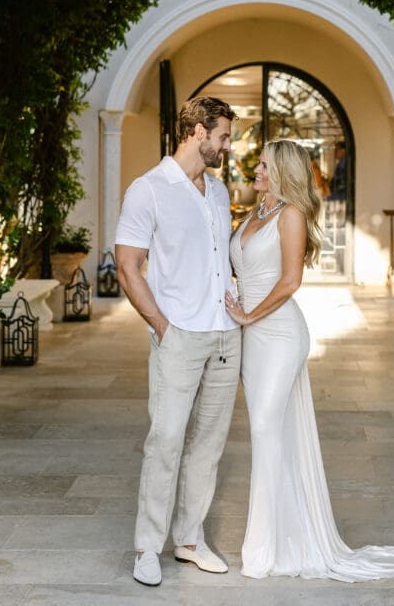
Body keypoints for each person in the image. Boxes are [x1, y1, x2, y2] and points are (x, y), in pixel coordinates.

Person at [225, 139, 394, 582]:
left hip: (280, 334)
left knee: (267, 429)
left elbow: (290, 281)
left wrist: (249, 313)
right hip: (252, 338)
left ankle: (266, 548)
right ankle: (284, 535)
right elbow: (244, 269)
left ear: (283, 172)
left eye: (264, 165)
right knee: (270, 435)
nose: (256, 170)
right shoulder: (255, 213)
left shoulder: (289, 215)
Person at [115, 95, 242, 588]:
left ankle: (189, 540)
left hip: (224, 336)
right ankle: (148, 547)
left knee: (207, 446)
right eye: (224, 136)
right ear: (197, 132)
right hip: (180, 336)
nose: (227, 146)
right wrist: (162, 327)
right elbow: (128, 268)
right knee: (165, 441)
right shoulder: (148, 190)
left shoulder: (218, 192)